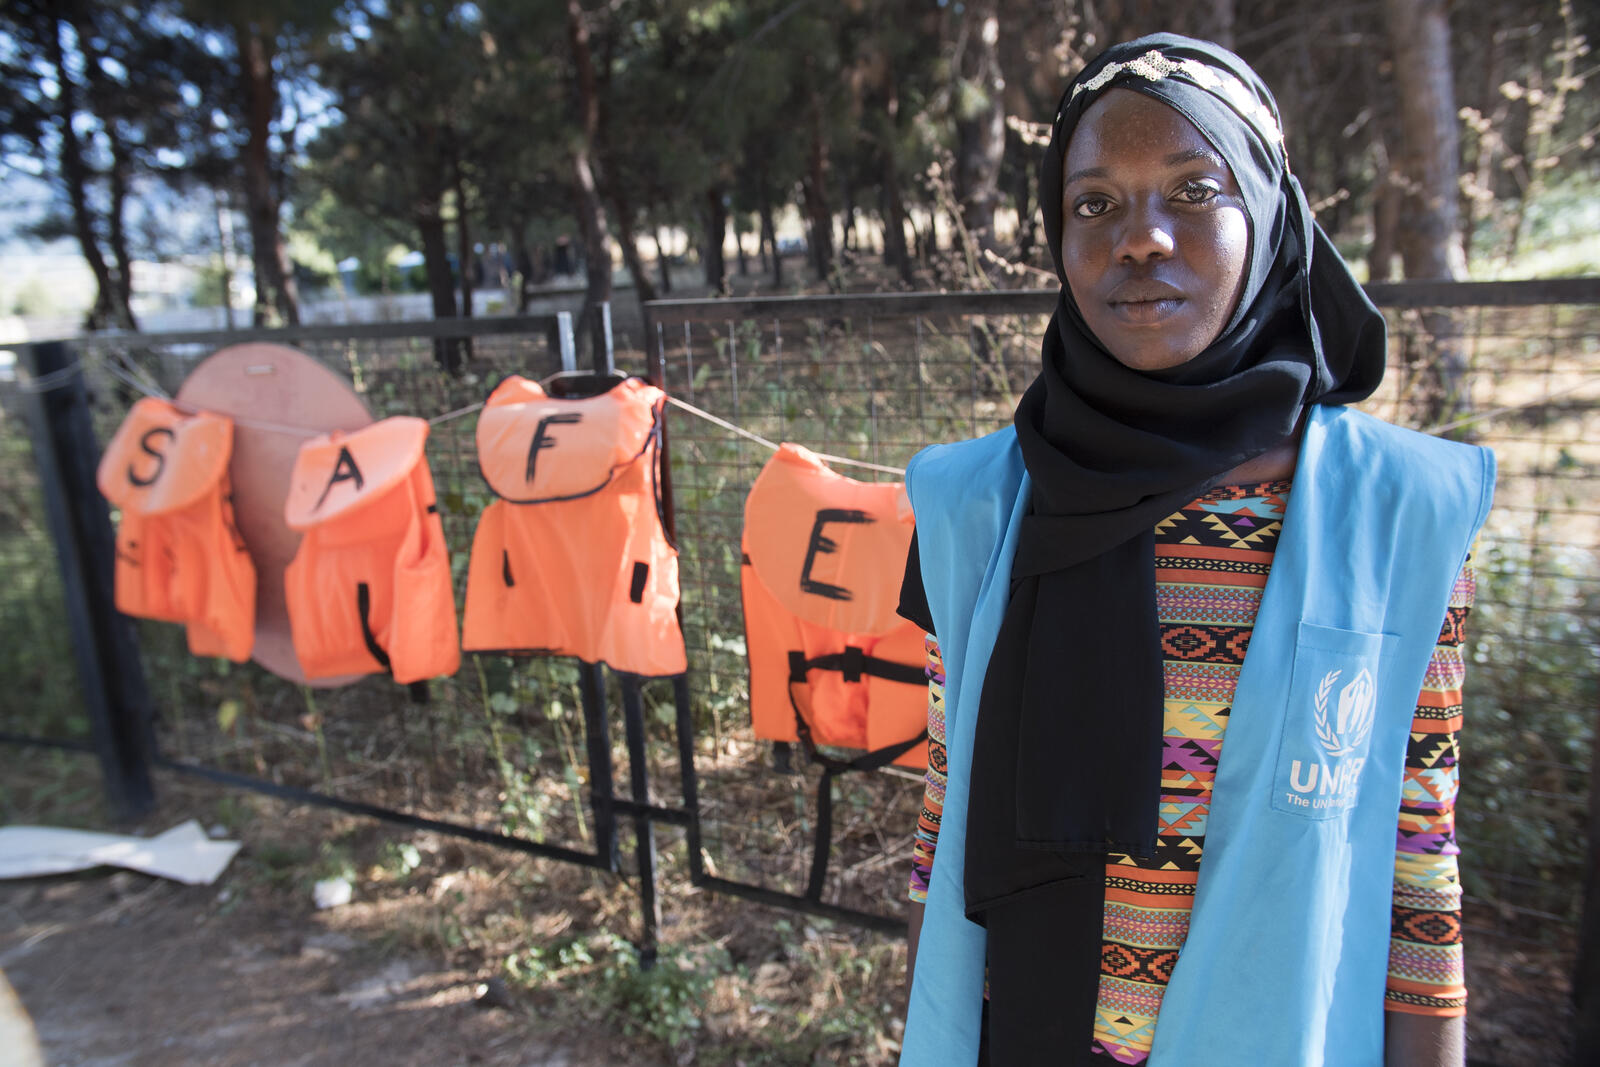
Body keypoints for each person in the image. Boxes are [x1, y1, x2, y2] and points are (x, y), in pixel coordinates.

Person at [896, 34, 1493, 1067]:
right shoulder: (980, 504)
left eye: (1192, 188)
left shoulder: (1397, 511)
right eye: (1095, 203)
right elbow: (945, 822)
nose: (1141, 239)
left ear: (1267, 214)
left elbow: (1418, 854)